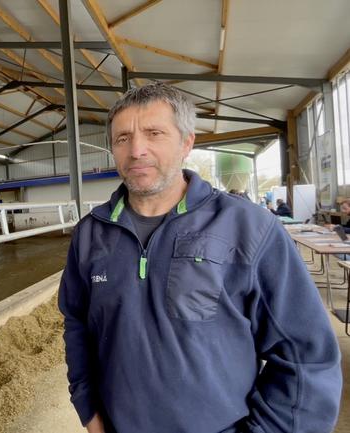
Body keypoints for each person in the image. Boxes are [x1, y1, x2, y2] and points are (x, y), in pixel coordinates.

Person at [59, 82, 341, 433]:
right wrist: (87, 408)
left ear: (187, 143)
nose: (137, 150)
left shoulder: (248, 227)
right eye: (122, 139)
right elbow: (76, 324)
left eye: (154, 133)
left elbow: (306, 356)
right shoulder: (90, 233)